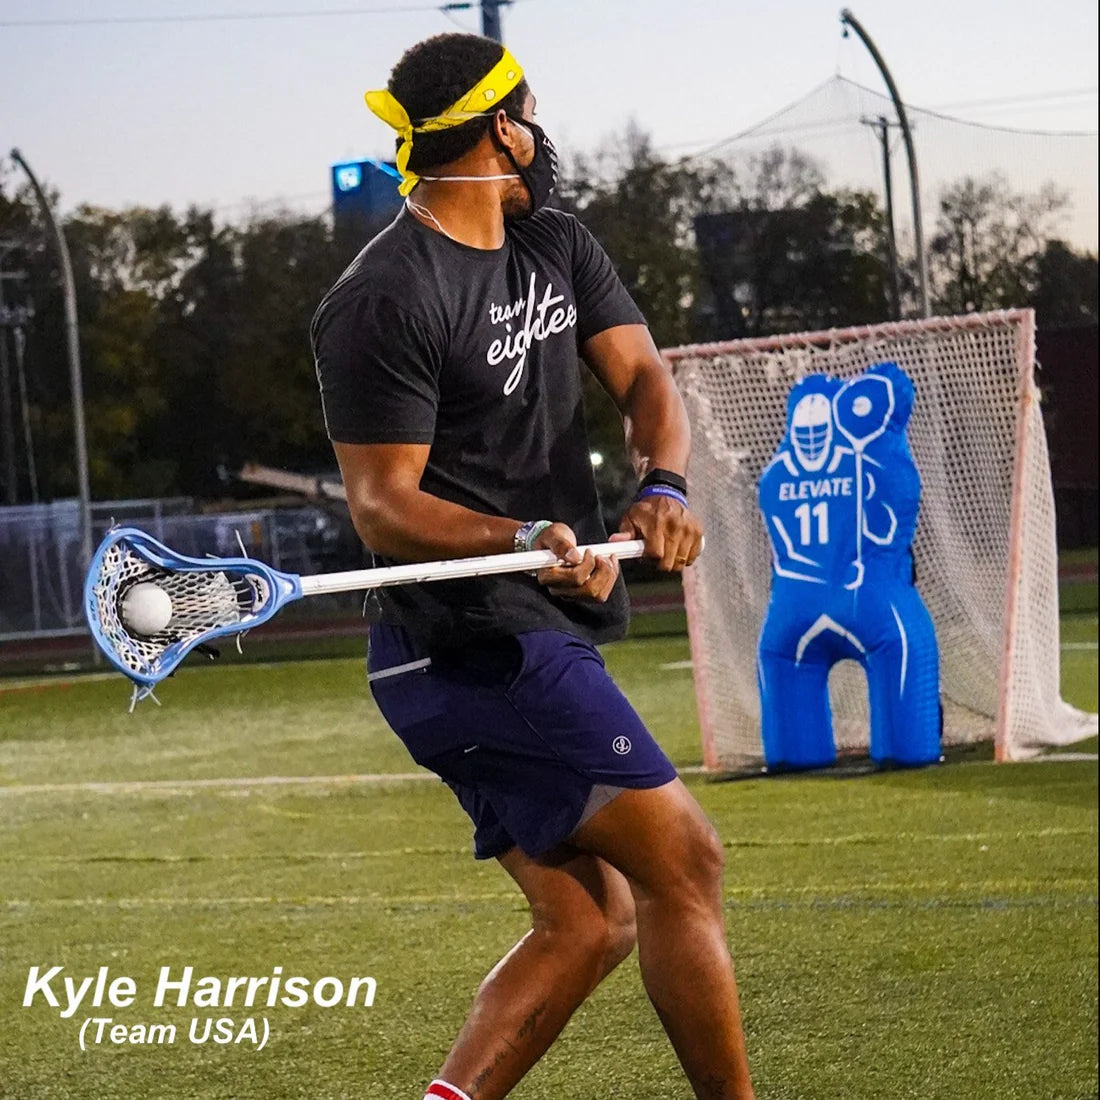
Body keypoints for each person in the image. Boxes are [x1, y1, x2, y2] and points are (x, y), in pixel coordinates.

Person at [311, 33, 755, 1100]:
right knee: (682, 861)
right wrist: (517, 539)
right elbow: (383, 504)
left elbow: (643, 372)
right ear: (501, 130)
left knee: (586, 918)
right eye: (530, 115)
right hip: (464, 646)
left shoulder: (551, 236)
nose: (540, 137)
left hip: (523, 625)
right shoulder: (383, 297)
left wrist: (664, 485)